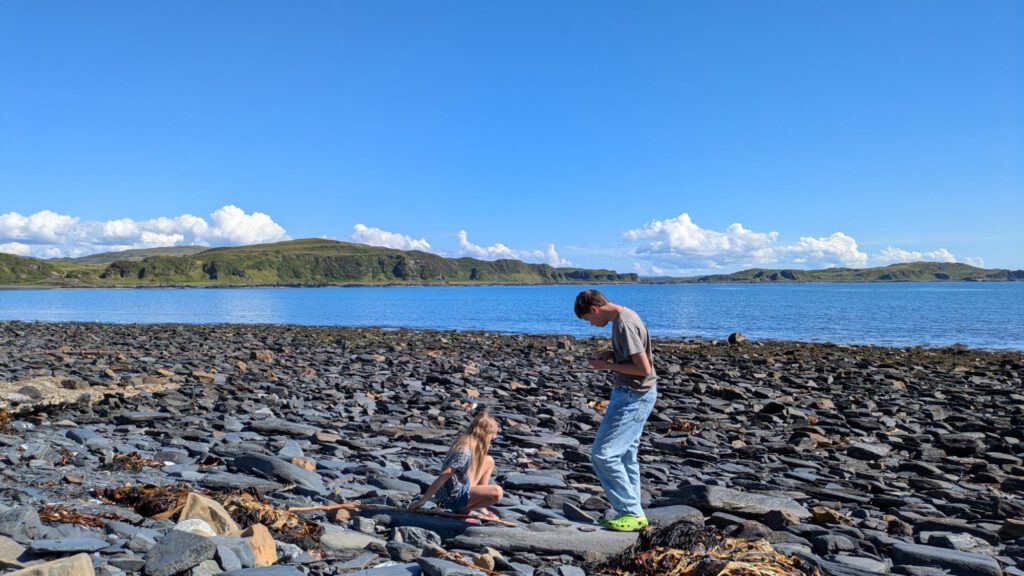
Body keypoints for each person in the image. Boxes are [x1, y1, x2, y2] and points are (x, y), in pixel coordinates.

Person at [575, 289, 657, 532]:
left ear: (594, 309)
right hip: (639, 394)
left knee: (604, 454)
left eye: (588, 319)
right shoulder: (625, 315)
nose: (591, 324)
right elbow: (636, 353)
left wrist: (606, 366)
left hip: (633, 395)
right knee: (626, 455)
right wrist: (614, 354)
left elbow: (643, 368)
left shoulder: (624, 324)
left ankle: (630, 511)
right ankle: (634, 513)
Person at [409, 411, 504, 519]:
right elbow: (446, 474)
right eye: (493, 434)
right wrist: (423, 500)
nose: (494, 437)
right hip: (454, 497)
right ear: (484, 433)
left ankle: (481, 508)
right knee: (497, 492)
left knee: (488, 460)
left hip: (463, 485)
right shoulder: (464, 450)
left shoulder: (471, 443)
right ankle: (464, 510)